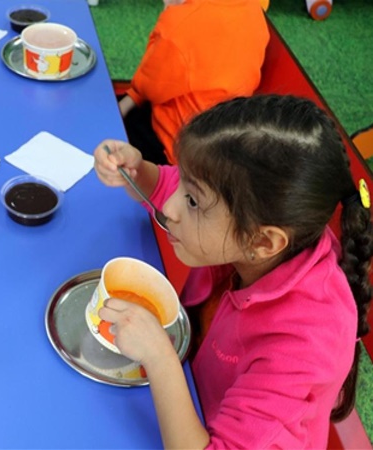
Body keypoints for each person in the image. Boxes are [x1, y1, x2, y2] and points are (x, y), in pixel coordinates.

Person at [93, 95, 372, 448]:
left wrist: (161, 358)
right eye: (184, 187)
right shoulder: (264, 233)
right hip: (192, 390)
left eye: (191, 201)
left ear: (263, 242)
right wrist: (142, 172)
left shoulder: (304, 344)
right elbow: (191, 187)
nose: (170, 207)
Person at [120, 0, 269, 165]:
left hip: (174, 149)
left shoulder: (181, 24)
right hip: (221, 146)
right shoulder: (253, 8)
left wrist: (169, 12)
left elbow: (149, 87)